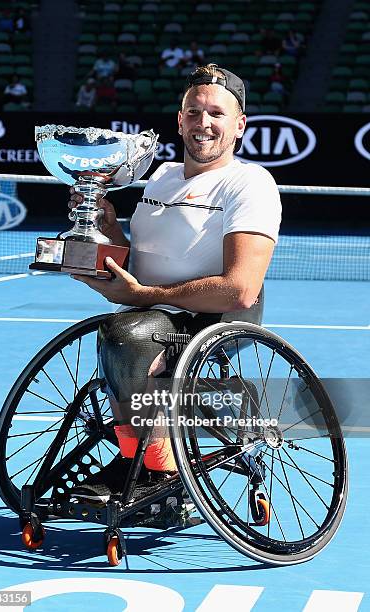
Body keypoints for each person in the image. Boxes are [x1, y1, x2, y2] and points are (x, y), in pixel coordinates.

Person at [69, 64, 282, 503]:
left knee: (127, 337)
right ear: (180, 119)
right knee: (124, 340)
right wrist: (107, 229)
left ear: (239, 125)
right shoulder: (163, 175)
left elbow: (240, 288)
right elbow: (145, 260)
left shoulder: (251, 184)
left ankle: (155, 468)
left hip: (219, 316)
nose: (203, 124)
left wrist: (145, 297)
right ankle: (141, 452)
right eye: (194, 112)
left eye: (217, 115)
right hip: (155, 311)